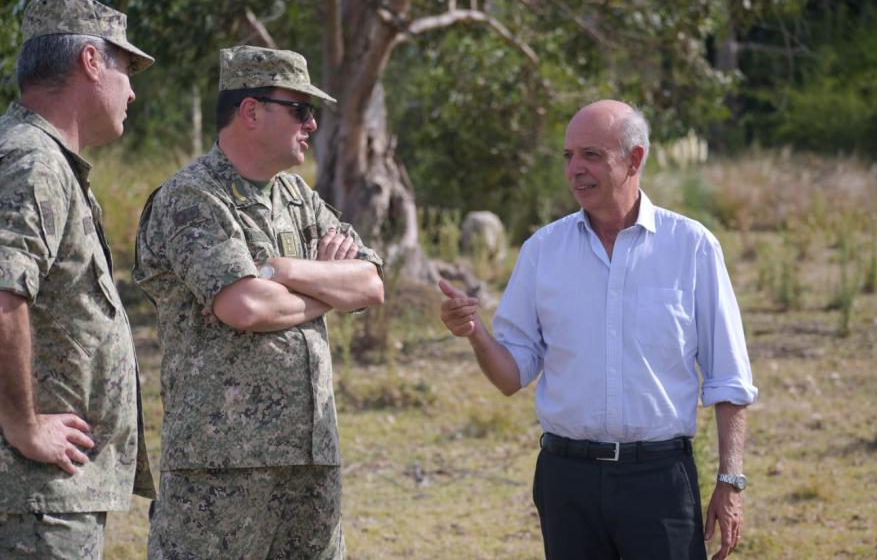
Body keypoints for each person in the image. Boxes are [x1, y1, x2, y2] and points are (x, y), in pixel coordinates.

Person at [439, 99, 758, 560]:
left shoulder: (692, 248)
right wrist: (474, 333)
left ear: (635, 159)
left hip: (660, 484)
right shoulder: (542, 251)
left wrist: (730, 482)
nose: (575, 170)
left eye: (591, 155)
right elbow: (511, 376)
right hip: (567, 483)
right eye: (568, 156)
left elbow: (728, 379)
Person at [135, 45, 384, 558]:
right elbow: (244, 307)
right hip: (220, 465)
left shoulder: (297, 196)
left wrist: (285, 271)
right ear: (250, 111)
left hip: (312, 457)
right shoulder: (192, 197)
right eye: (300, 109)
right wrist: (325, 288)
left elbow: (370, 284)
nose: (312, 124)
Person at [0, 0, 156, 558]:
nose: (132, 90)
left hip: (48, 494)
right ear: (90, 61)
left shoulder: (39, 158)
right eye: (125, 67)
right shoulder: (33, 160)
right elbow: (2, 290)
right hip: (34, 497)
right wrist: (24, 425)